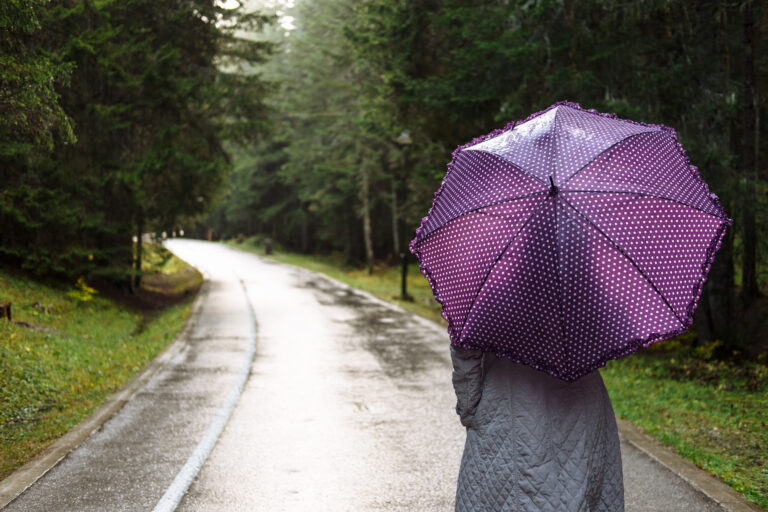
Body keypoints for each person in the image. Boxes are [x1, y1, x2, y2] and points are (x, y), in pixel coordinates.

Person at [450, 345, 624, 512]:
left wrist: (469, 410)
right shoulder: (580, 316)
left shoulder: (489, 315)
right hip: (582, 392)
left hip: (510, 396)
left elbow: (465, 355)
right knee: (578, 484)